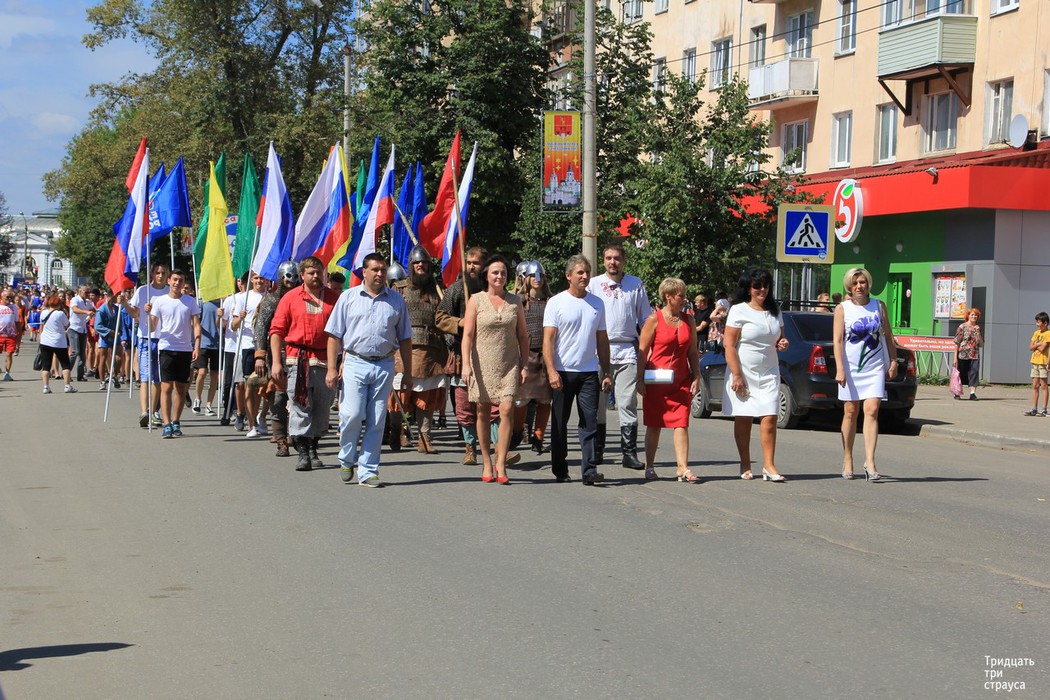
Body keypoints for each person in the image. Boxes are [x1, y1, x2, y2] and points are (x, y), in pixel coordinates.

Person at [325, 253, 412, 488]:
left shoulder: (396, 300)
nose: (380, 274)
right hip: (355, 361)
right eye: (375, 269)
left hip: (384, 364)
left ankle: (368, 471)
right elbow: (334, 335)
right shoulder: (348, 297)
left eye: (383, 269)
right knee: (352, 414)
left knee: (377, 419)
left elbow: (405, 338)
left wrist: (408, 372)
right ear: (364, 272)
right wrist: (331, 368)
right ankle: (346, 458)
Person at [543, 255, 614, 485]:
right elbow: (548, 341)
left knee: (589, 422)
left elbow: (602, 340)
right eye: (579, 273)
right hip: (562, 372)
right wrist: (551, 371)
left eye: (587, 272)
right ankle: (560, 469)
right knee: (559, 423)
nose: (584, 277)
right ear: (568, 276)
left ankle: (589, 470)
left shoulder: (597, 303)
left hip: (588, 372)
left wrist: (607, 372)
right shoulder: (556, 302)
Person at [462, 255, 529, 484]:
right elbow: (467, 335)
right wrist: (466, 365)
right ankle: (486, 460)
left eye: (503, 273)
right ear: (487, 276)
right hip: (482, 363)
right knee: (482, 410)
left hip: (509, 363)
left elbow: (523, 335)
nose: (499, 276)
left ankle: (501, 462)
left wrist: (525, 365)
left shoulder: (515, 301)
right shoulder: (476, 300)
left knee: (507, 409)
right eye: (495, 272)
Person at [270, 256, 339, 471]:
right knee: (300, 405)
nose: (316, 276)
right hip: (297, 359)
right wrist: (275, 362)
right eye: (311, 273)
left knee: (322, 408)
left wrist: (340, 363)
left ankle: (313, 448)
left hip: (325, 361)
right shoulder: (290, 298)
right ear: (302, 275)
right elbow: (276, 331)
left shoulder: (334, 298)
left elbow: (344, 330)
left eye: (319, 272)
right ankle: (303, 452)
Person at [833, 267, 899, 481]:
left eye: (862, 282)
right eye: (855, 283)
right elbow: (838, 341)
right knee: (850, 411)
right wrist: (840, 368)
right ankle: (848, 457)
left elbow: (888, 336)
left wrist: (893, 360)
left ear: (868, 284)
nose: (859, 286)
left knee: (872, 410)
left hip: (874, 366)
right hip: (851, 367)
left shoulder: (878, 306)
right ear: (849, 286)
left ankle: (870, 461)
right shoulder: (842, 309)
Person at [723, 268, 789, 482]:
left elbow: (781, 338)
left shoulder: (775, 310)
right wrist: (736, 374)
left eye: (766, 285)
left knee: (770, 416)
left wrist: (783, 343)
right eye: (757, 286)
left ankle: (769, 465)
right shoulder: (739, 310)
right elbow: (729, 345)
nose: (762, 290)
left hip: (769, 370)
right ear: (748, 288)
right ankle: (745, 463)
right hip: (744, 370)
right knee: (744, 417)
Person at [587, 243, 648, 469]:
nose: (612, 262)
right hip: (597, 350)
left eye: (617, 258)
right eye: (608, 258)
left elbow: (646, 319)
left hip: (627, 350)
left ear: (624, 261)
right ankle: (597, 451)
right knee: (597, 403)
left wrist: (648, 348)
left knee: (628, 402)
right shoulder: (593, 285)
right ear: (603, 261)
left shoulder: (636, 284)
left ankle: (629, 453)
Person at [637, 278, 701, 482]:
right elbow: (642, 351)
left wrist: (696, 375)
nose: (684, 299)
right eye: (680, 295)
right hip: (656, 380)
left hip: (681, 380)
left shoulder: (689, 320)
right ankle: (650, 466)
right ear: (668, 296)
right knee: (654, 423)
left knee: (681, 422)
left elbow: (692, 352)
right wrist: (639, 379)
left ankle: (682, 468)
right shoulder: (654, 319)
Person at [391, 245, 449, 454]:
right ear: (411, 265)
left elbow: (444, 318)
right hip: (403, 349)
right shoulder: (398, 289)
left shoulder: (437, 290)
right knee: (400, 396)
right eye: (417, 263)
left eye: (424, 262)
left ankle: (425, 438)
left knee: (428, 397)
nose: (420, 266)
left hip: (431, 350)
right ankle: (398, 431)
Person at [146, 269, 202, 438]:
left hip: (184, 349)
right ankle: (166, 423)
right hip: (166, 348)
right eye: (175, 279)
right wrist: (147, 315)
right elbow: (152, 327)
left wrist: (197, 346)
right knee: (166, 387)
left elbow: (196, 325)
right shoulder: (160, 301)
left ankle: (176, 421)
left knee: (181, 388)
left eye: (181, 280)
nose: (177, 283)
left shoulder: (190, 301)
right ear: (169, 281)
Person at [254, 262, 299, 458]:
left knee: (299, 399)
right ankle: (281, 440)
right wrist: (260, 356)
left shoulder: (302, 299)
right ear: (281, 277)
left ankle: (297, 436)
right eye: (288, 276)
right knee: (279, 398)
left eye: (294, 276)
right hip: (277, 355)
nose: (291, 280)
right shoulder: (272, 301)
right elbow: (261, 328)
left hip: (299, 354)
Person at [119, 263, 170, 428]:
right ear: (152, 274)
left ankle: (154, 411)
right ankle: (144, 412)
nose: (160, 276)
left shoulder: (170, 292)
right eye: (157, 272)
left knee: (157, 378)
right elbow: (135, 313)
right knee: (145, 376)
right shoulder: (143, 291)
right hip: (145, 338)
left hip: (163, 339)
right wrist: (125, 304)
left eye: (163, 273)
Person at [513, 261, 553, 454]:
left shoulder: (551, 302)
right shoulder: (518, 301)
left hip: (546, 356)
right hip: (525, 355)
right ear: (526, 279)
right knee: (522, 400)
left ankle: (538, 436)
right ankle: (517, 431)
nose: (537, 280)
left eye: (540, 276)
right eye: (533, 276)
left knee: (545, 400)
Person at [37, 294, 76, 394]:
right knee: (65, 364)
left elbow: (41, 325)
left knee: (46, 365)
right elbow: (67, 324)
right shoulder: (60, 314)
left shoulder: (44, 312)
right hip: (59, 341)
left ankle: (46, 387)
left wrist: (40, 336)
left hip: (45, 341)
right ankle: (67, 386)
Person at [192, 297, 222, 416]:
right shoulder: (202, 302)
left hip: (218, 344)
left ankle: (209, 405)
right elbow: (194, 322)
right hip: (203, 343)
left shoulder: (223, 303)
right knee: (202, 372)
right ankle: (197, 399)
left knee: (214, 375)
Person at [93, 289, 121, 389]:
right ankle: (102, 381)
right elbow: (97, 326)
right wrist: (109, 332)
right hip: (105, 336)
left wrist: (120, 331)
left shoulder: (117, 309)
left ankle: (114, 375)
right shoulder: (102, 310)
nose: (118, 298)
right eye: (117, 295)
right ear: (111, 296)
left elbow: (120, 322)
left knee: (119, 358)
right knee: (103, 358)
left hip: (116, 336)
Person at [953, 308, 984, 400]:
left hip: (974, 355)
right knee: (961, 374)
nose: (974, 317)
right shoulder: (962, 327)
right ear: (968, 316)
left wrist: (978, 332)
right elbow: (957, 343)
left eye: (976, 315)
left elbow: (981, 344)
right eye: (972, 315)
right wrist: (955, 358)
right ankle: (957, 392)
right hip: (963, 355)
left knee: (974, 373)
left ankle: (972, 393)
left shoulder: (978, 328)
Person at [1024, 312, 1050, 417]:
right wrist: (1038, 344)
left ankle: (1044, 409)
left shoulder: (1048, 334)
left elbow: (1043, 348)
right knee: (1035, 386)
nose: (1037, 324)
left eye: (1039, 322)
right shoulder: (1036, 333)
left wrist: (1036, 344)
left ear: (1045, 323)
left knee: (1044, 385)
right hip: (1035, 361)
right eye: (1036, 322)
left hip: (1043, 362)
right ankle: (1034, 408)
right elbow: (1030, 347)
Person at [67, 285, 94, 382]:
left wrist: (95, 311)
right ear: (80, 292)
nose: (88, 294)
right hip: (74, 328)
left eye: (89, 292)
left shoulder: (87, 302)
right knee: (75, 352)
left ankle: (80, 375)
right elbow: (75, 309)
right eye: (86, 292)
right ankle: (67, 372)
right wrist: (86, 312)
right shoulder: (75, 300)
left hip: (83, 329)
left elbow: (93, 309)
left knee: (82, 354)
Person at [0, 289, 21, 381]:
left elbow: (17, 322)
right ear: (2, 297)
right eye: (7, 297)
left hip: (11, 335)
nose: (9, 299)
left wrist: (19, 334)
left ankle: (7, 373)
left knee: (9, 354)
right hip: (0, 334)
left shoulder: (13, 307)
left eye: (11, 297)